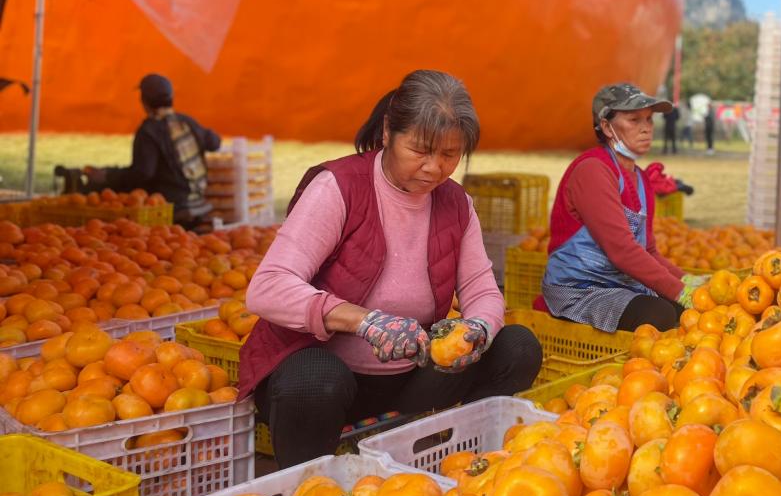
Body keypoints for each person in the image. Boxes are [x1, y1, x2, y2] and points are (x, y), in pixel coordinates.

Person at [239, 70, 543, 468]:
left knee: (517, 347)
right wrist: (364, 322)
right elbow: (267, 287)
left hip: (408, 380)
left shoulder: (456, 204)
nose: (434, 168)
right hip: (327, 378)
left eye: (449, 155)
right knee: (314, 378)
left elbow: (482, 290)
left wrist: (478, 329)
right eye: (420, 150)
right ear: (387, 132)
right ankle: (307, 489)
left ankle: (458, 464)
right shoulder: (340, 187)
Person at [540, 83, 707, 333]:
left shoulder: (640, 179)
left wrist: (686, 280)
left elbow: (648, 250)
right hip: (581, 290)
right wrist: (681, 292)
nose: (646, 128)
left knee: (682, 311)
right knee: (660, 314)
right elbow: (622, 250)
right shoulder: (593, 170)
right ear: (606, 126)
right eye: (634, 119)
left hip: (621, 285)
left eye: (649, 120)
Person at [86, 74, 221, 231]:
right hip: (199, 201)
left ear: (144, 102)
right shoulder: (185, 121)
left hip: (172, 208)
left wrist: (108, 177)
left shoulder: (148, 131)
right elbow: (214, 142)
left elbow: (143, 174)